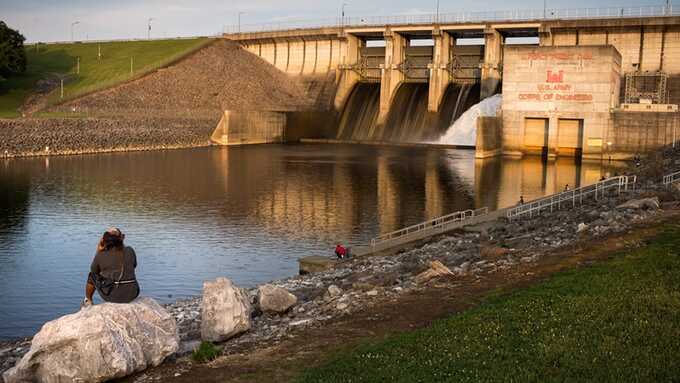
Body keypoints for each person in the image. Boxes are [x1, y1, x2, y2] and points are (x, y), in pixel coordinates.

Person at [83, 228, 140, 307]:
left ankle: (88, 301)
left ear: (104, 240)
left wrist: (98, 250)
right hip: (133, 293)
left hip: (112, 296)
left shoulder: (101, 254)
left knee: (92, 276)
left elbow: (94, 270)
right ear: (122, 237)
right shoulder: (130, 250)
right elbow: (134, 265)